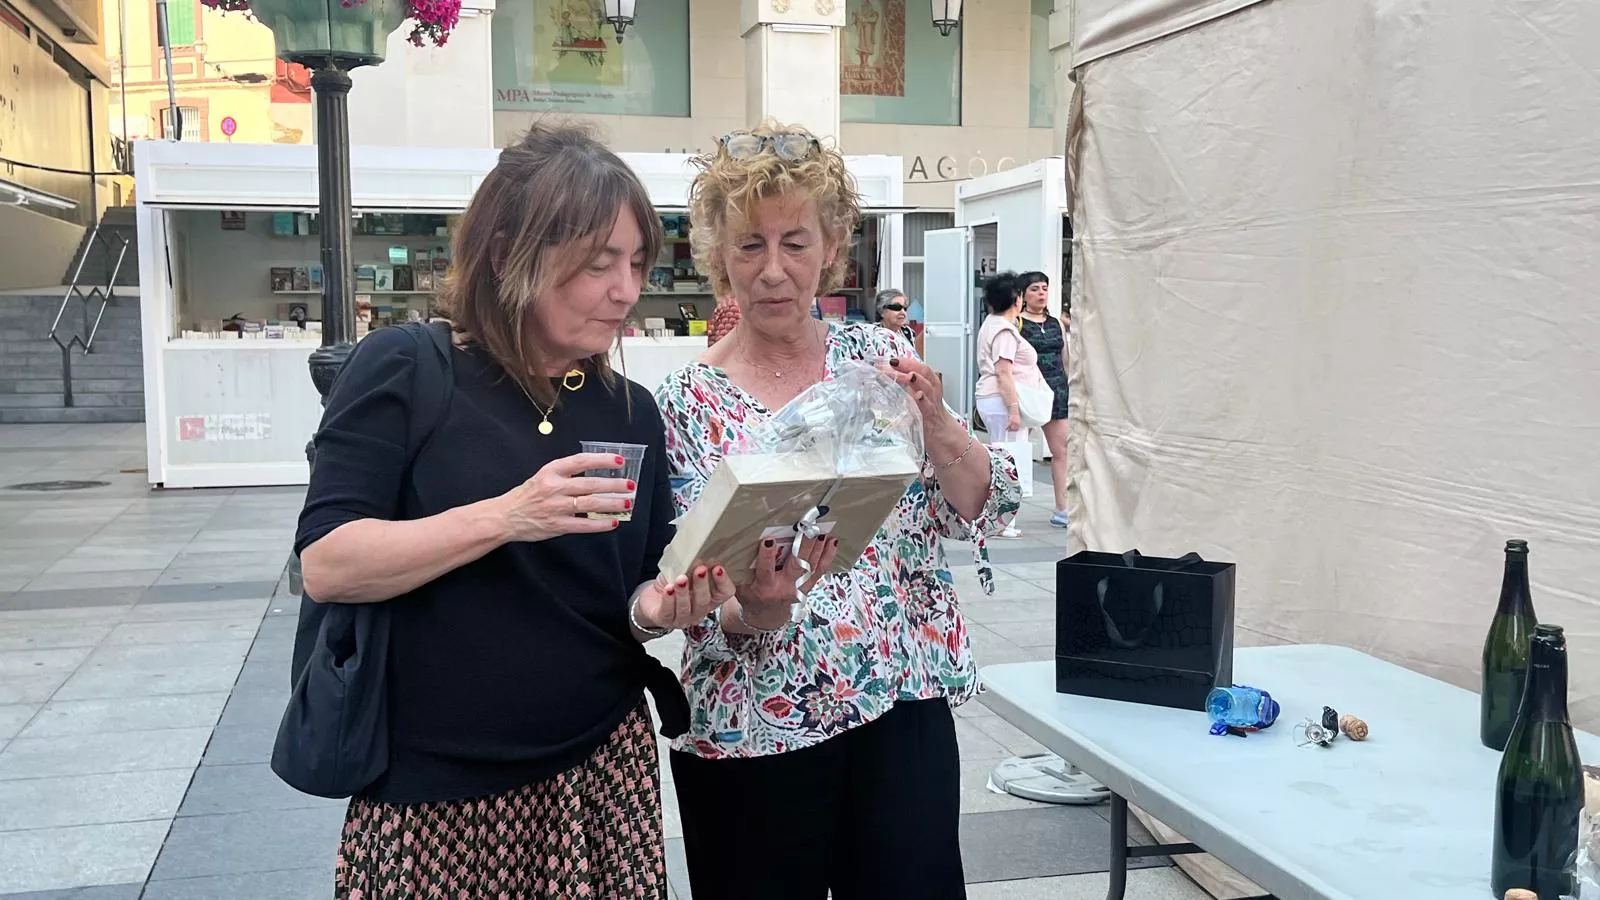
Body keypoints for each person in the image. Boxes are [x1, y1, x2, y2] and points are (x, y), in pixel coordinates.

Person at [296, 123, 736, 899]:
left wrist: (668, 605)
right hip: (436, 791)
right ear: (507, 254)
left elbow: (629, 599)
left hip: (599, 770)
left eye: (637, 264)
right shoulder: (406, 368)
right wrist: (508, 515)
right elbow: (329, 564)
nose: (626, 290)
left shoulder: (628, 409)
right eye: (599, 264)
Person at [653, 123, 1023, 900]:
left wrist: (942, 425)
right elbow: (687, 599)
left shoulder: (880, 366)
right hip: (754, 728)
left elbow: (983, 510)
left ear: (831, 248)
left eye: (795, 242)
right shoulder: (683, 406)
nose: (774, 270)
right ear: (719, 257)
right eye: (750, 246)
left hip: (899, 707)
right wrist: (754, 610)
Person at [973, 271, 1048, 538]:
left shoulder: (994, 324)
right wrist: (1014, 409)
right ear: (1016, 299)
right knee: (1009, 461)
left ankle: (1000, 519)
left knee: (1002, 458)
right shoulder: (1004, 330)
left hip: (995, 398)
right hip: (1001, 400)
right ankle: (1004, 521)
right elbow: (1003, 371)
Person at [1017, 271, 1070, 527]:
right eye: (1035, 289)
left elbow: (1065, 359)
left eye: (1044, 288)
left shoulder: (1056, 323)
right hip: (1027, 391)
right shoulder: (1016, 322)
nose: (1041, 293)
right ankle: (1007, 511)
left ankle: (1062, 508)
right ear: (1024, 294)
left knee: (1062, 450)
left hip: (1056, 389)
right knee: (1015, 450)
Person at [873, 287, 918, 352]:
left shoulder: (908, 332)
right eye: (896, 307)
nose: (903, 312)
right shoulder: (872, 334)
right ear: (882, 311)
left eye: (905, 308)